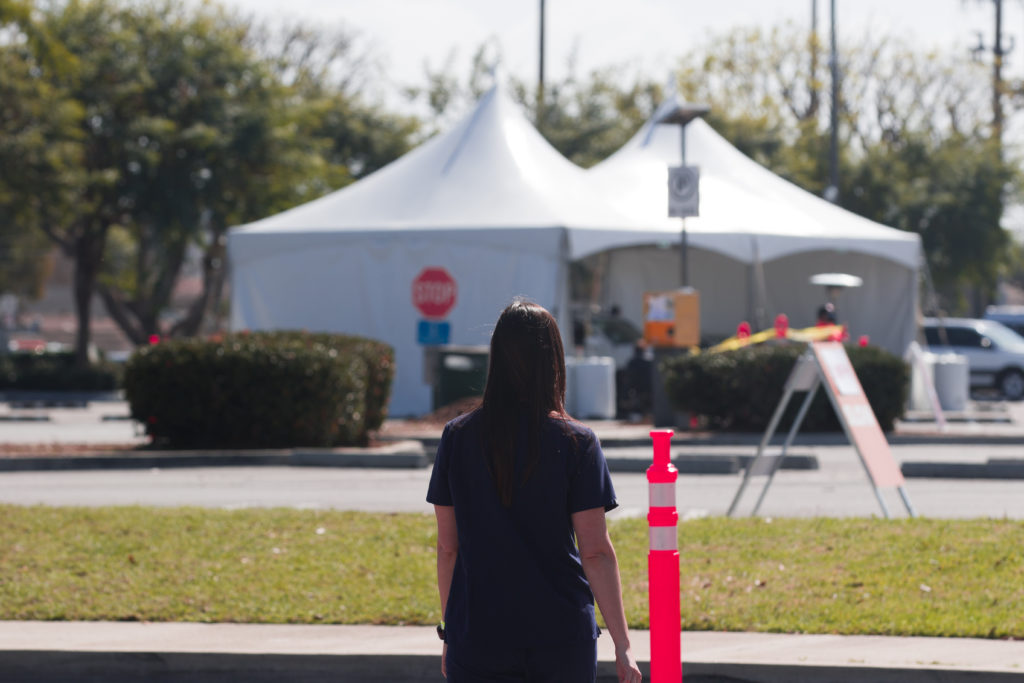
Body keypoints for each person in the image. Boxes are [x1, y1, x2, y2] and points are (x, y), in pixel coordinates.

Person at [427, 300, 642, 683]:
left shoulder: (457, 437)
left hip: (477, 633)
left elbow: (448, 547)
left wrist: (450, 630)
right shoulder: (577, 442)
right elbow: (594, 550)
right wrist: (622, 643)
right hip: (560, 635)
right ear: (553, 361)